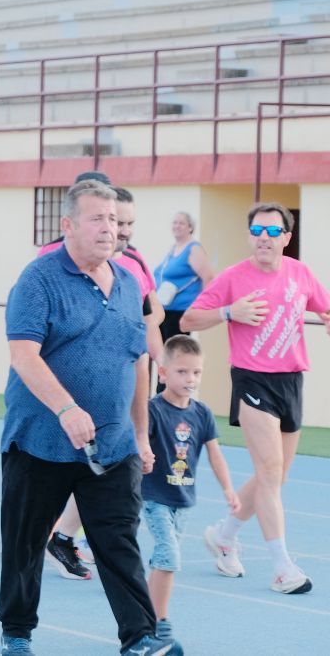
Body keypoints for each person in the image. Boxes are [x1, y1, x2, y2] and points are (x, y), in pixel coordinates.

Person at [0, 179, 177, 656]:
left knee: (118, 541)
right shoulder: (38, 280)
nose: (108, 228)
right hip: (41, 440)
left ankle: (140, 638)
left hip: (114, 444)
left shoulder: (130, 283)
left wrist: (141, 433)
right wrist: (66, 408)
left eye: (114, 220)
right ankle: (16, 633)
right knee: (25, 544)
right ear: (69, 225)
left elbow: (138, 361)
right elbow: (24, 356)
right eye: (97, 218)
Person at [182, 202, 330, 596]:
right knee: (268, 471)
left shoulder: (301, 274)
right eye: (257, 231)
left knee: (276, 475)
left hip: (292, 380)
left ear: (286, 237)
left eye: (272, 232)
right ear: (250, 236)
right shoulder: (233, 277)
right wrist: (230, 312)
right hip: (252, 379)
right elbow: (188, 320)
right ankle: (282, 567)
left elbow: (325, 307)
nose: (263, 238)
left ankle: (224, 535)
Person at [45, 186, 164, 579]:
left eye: (126, 222)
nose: (122, 229)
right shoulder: (54, 261)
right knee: (77, 475)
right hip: (65, 405)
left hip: (120, 396)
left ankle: (69, 538)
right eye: (115, 220)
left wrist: (158, 356)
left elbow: (151, 315)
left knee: (112, 481)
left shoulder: (133, 268)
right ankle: (51, 536)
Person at [141, 334, 239, 640]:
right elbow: (138, 444)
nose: (190, 379)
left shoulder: (202, 413)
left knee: (162, 560)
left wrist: (228, 489)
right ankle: (161, 619)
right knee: (169, 555)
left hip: (183, 498)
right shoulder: (153, 409)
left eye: (196, 372)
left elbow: (215, 452)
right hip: (154, 496)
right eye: (182, 371)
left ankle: (140, 613)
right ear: (164, 373)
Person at [154, 211, 216, 343]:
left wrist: (201, 308)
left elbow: (208, 277)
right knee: (163, 353)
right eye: (175, 223)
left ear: (190, 227)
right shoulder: (174, 248)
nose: (177, 226)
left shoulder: (193, 249)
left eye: (181, 223)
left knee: (175, 352)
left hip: (180, 312)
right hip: (165, 309)